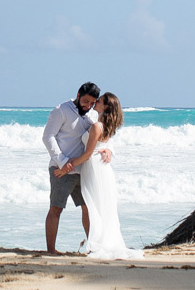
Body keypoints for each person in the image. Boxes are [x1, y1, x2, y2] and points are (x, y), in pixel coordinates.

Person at [54, 93, 144, 260]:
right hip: (100, 168)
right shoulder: (105, 125)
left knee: (94, 207)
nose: (96, 102)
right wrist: (108, 150)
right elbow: (101, 146)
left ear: (106, 107)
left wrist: (66, 168)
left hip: (94, 167)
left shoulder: (97, 126)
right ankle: (98, 243)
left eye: (100, 101)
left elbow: (88, 154)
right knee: (98, 207)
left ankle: (97, 244)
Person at [42, 83, 111, 254]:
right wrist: (62, 162)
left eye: (92, 103)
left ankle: (92, 247)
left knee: (88, 208)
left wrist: (109, 150)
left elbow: (100, 138)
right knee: (56, 208)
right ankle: (51, 250)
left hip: (84, 171)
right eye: (86, 101)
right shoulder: (61, 110)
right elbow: (47, 137)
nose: (88, 106)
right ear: (78, 94)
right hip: (61, 170)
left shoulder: (93, 116)